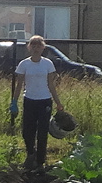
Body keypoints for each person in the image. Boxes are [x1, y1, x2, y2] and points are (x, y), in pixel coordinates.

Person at [10, 35, 66, 174]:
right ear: (29, 47)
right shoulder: (24, 64)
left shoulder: (47, 64)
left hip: (44, 101)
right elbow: (19, 85)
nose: (36, 48)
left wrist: (58, 103)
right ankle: (31, 154)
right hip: (29, 100)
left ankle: (40, 162)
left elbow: (51, 85)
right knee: (27, 131)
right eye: (33, 45)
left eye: (39, 45)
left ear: (43, 48)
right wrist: (14, 102)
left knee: (42, 132)